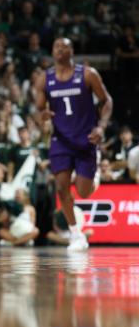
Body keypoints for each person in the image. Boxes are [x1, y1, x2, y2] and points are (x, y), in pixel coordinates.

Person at [34, 38, 113, 252]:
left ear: (72, 50)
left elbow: (107, 101)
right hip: (60, 140)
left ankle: (94, 177)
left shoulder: (88, 74)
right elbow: (38, 110)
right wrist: (42, 115)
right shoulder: (44, 79)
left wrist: (102, 127)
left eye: (65, 46)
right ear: (52, 51)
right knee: (61, 187)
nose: (60, 49)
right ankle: (76, 234)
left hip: (85, 138)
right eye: (56, 46)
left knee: (83, 192)